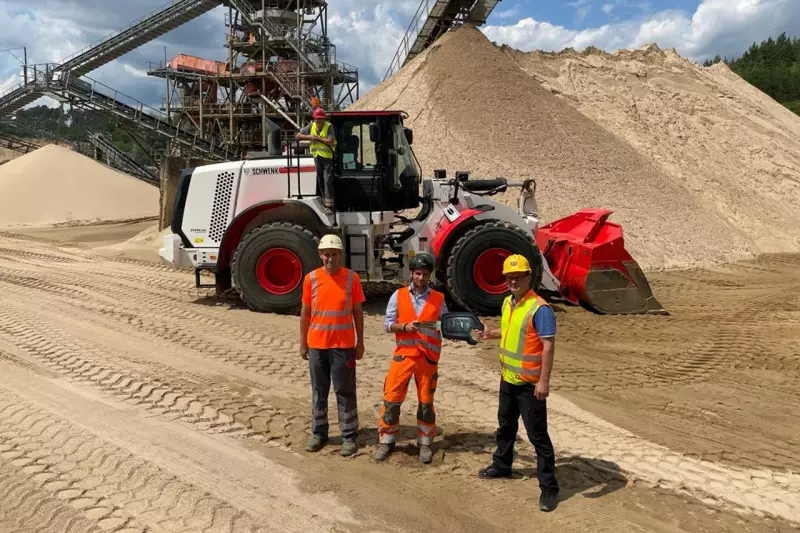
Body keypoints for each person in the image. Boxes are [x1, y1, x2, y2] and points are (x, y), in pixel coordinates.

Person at [476, 254, 560, 512]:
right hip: (508, 379)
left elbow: (548, 346)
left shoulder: (540, 308)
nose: (512, 281)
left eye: (517, 277)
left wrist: (543, 382)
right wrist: (489, 334)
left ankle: (549, 488)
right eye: (509, 278)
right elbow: (511, 330)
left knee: (538, 437)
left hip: (529, 385)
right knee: (505, 426)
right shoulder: (508, 303)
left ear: (528, 277)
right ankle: (502, 465)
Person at [376, 253, 448, 464]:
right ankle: (386, 440)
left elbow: (445, 322)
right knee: (392, 399)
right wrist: (404, 327)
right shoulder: (398, 296)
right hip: (404, 357)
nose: (421, 278)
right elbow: (388, 325)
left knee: (426, 402)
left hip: (427, 358)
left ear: (429, 276)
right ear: (411, 273)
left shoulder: (438, 298)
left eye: (425, 274)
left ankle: (425, 443)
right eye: (418, 273)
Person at [299, 234, 365, 456]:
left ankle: (349, 436)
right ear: (320, 255)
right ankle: (319, 434)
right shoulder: (311, 279)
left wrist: (360, 342)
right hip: (317, 345)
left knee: (345, 391)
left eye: (334, 254)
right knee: (319, 391)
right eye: (326, 254)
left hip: (343, 346)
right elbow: (305, 313)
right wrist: (303, 343)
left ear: (340, 255)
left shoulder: (351, 279)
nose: (330, 258)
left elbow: (358, 312)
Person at [296, 108, 337, 215]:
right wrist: (309, 137)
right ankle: (324, 202)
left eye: (320, 119)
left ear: (324, 119)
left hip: (327, 157)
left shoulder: (329, 126)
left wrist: (318, 138)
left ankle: (329, 206)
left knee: (327, 179)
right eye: (316, 119)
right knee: (320, 180)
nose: (318, 121)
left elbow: (330, 140)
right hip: (317, 157)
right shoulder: (312, 125)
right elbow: (298, 135)